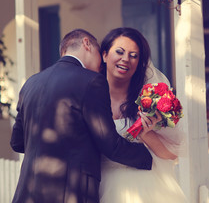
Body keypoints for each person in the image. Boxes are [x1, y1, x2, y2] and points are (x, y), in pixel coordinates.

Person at [10, 29, 154, 203]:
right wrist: (147, 157)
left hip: (28, 193)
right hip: (70, 192)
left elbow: (17, 142)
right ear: (86, 44)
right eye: (100, 56)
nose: (100, 65)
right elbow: (110, 144)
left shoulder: (31, 83)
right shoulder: (92, 80)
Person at [99, 27, 187, 203]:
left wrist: (146, 133)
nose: (126, 59)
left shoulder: (149, 99)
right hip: (98, 183)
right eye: (120, 52)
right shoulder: (91, 95)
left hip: (144, 187)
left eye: (134, 55)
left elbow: (171, 154)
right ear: (105, 55)